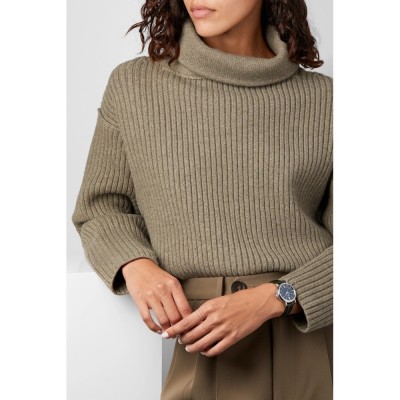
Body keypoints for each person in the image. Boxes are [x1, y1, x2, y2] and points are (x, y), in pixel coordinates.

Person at [71, 0, 333, 398]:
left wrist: (278, 297)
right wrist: (135, 264)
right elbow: (100, 206)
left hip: (304, 340)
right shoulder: (134, 85)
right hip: (185, 335)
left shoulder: (327, 101)